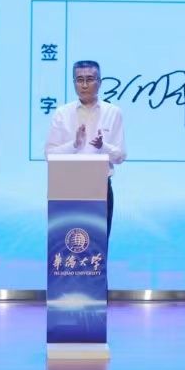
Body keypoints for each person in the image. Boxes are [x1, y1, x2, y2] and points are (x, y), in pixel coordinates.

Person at [44, 60, 126, 237]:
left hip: (100, 186)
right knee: (67, 243)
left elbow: (120, 156)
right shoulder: (62, 113)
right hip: (67, 186)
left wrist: (103, 146)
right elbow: (49, 156)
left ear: (100, 82)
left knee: (98, 243)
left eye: (90, 79)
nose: (84, 85)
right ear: (74, 82)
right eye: (79, 80)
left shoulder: (113, 112)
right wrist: (74, 145)